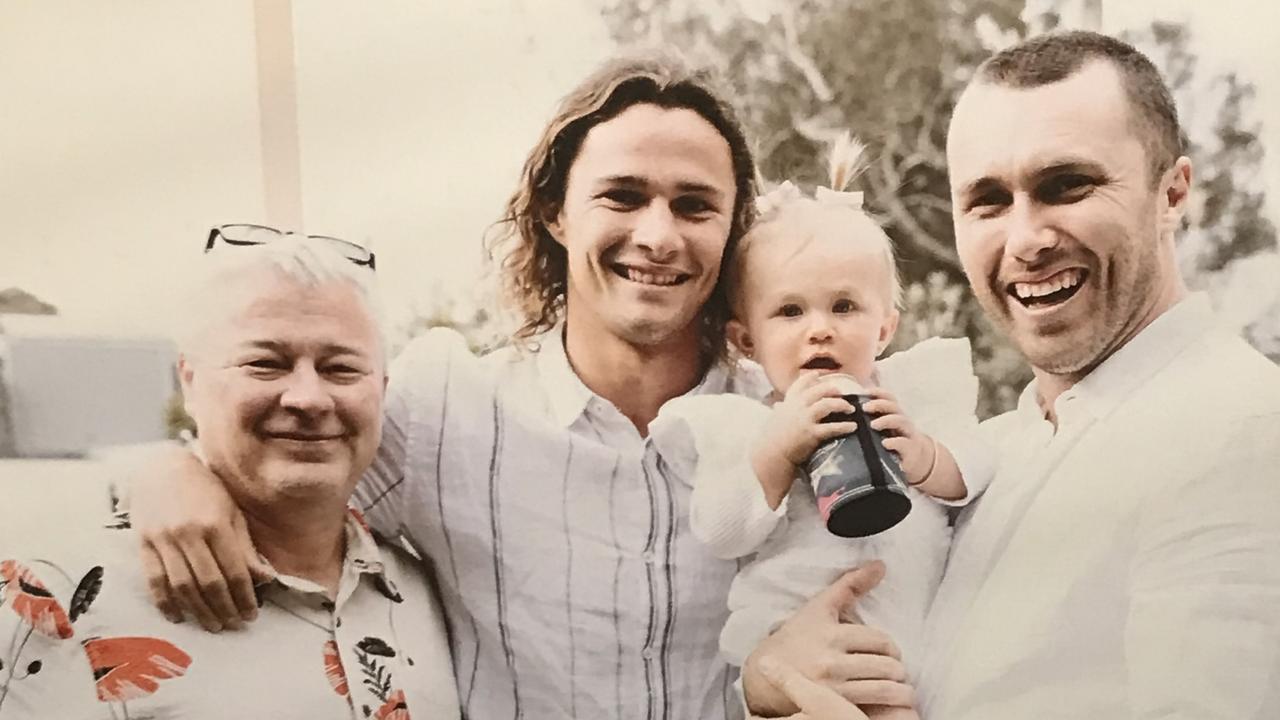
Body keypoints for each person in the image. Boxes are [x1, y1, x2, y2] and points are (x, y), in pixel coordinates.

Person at [123, 55, 914, 719]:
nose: (659, 234)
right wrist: (176, 473)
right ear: (555, 212)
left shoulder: (798, 418)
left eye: (695, 205)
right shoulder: (445, 412)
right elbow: (290, 455)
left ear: (732, 226)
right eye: (623, 195)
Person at [746, 30, 1280, 720]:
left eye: (1067, 185)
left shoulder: (1241, 431)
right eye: (988, 201)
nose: (1025, 240)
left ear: (1172, 194)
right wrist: (768, 675)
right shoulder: (991, 451)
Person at [0, 236, 459, 719]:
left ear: (382, 391)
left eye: (340, 368)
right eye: (265, 364)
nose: (308, 398)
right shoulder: (53, 604)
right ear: (191, 383)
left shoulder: (428, 591)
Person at [647, 141, 993, 706]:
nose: (819, 330)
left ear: (884, 329)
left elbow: (978, 467)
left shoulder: (913, 400)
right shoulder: (744, 425)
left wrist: (925, 456)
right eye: (790, 311)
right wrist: (778, 451)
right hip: (797, 653)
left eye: (844, 307)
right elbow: (721, 529)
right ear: (747, 341)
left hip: (910, 650)